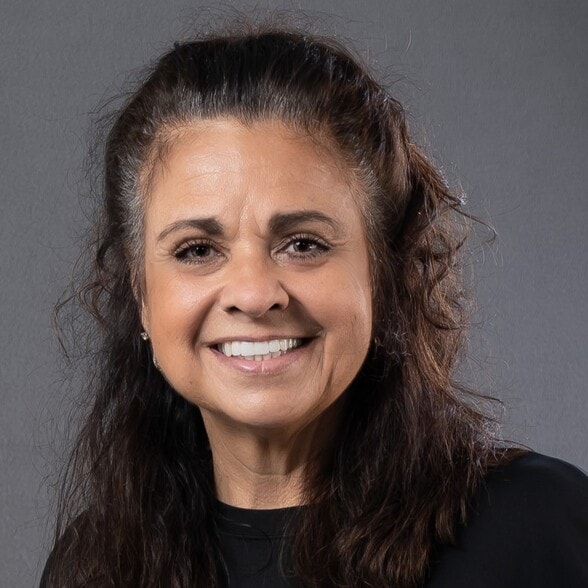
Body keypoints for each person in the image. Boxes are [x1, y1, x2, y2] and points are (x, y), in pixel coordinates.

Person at [42, 24, 587, 587]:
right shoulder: (92, 566)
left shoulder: (533, 527)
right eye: (197, 250)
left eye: (303, 245)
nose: (254, 294)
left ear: (382, 274)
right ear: (142, 296)